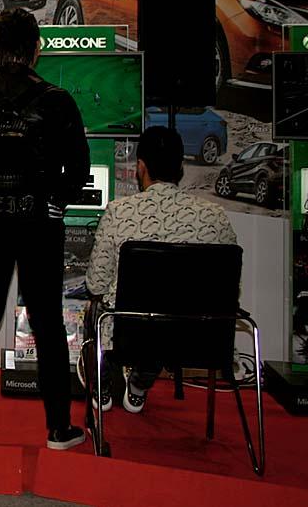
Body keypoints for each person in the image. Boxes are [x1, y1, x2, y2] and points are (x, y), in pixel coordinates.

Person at [0, 8, 89, 450]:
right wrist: (56, 200)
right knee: (48, 322)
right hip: (39, 223)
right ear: (37, 49)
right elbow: (79, 169)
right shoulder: (57, 100)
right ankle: (59, 427)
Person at [85, 126, 237, 414]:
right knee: (165, 311)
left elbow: (96, 283)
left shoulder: (119, 212)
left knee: (100, 306)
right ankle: (139, 384)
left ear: (140, 167)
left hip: (132, 334)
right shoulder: (215, 216)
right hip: (199, 337)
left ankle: (103, 385)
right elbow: (228, 285)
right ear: (180, 167)